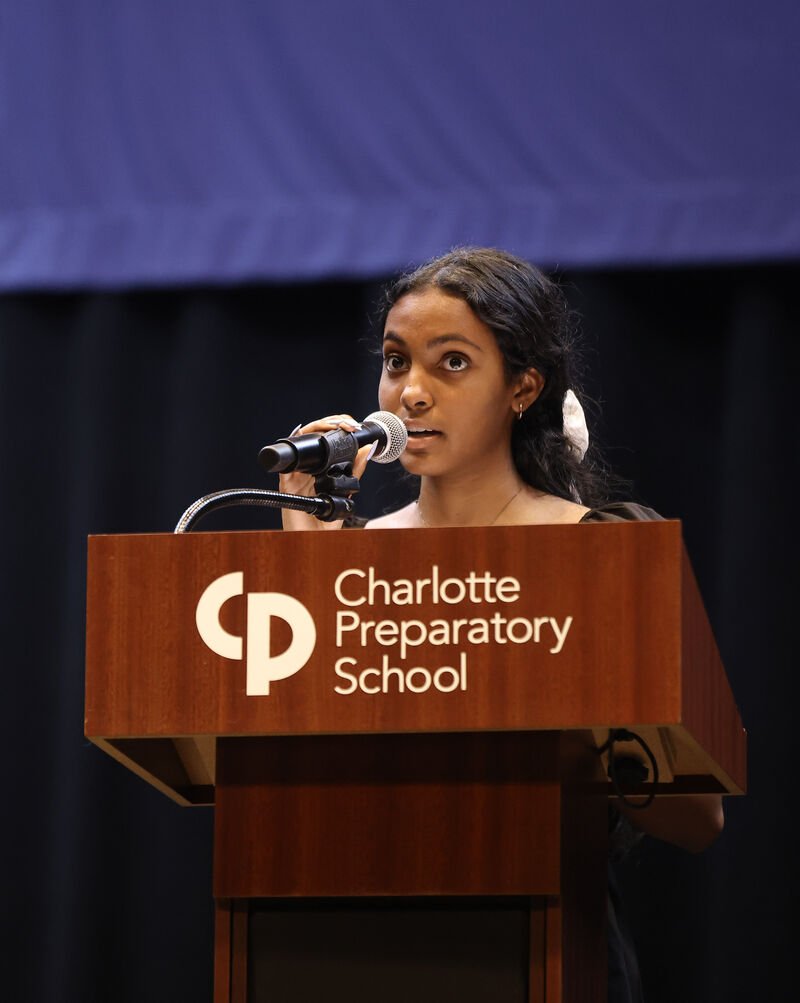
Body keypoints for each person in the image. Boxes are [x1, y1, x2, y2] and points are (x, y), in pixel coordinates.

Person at [279, 246, 724, 1001]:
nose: (409, 393)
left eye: (451, 363)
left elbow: (698, 816)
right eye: (395, 361)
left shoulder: (601, 548)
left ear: (523, 387)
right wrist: (306, 572)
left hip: (550, 945)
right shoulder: (344, 560)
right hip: (358, 948)